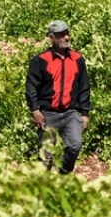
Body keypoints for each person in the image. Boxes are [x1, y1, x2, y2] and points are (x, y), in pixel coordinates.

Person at [25, 20, 91, 174]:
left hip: (70, 113)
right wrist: (35, 110)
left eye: (67, 33)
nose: (66, 38)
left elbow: (84, 87)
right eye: (61, 35)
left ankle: (63, 175)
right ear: (52, 38)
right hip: (48, 114)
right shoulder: (41, 60)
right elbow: (31, 86)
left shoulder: (77, 59)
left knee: (75, 144)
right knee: (46, 156)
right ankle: (43, 187)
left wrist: (85, 113)